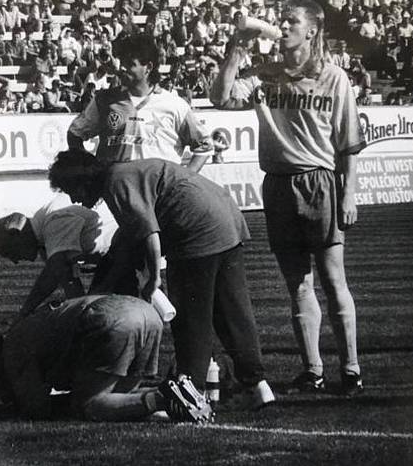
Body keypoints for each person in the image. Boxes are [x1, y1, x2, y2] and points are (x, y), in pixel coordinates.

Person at [210, 0, 365, 396]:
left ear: (312, 31)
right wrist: (237, 48)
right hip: (278, 184)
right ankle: (312, 369)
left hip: (319, 181)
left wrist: (349, 195)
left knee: (332, 280)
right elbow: (220, 96)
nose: (282, 25)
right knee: (297, 284)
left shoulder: (334, 78)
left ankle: (350, 368)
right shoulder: (266, 74)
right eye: (282, 19)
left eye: (291, 21)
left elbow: (348, 144)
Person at [48, 150, 275, 411]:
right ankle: (257, 385)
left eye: (71, 190)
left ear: (82, 181)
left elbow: (149, 234)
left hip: (196, 229)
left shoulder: (115, 183)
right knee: (233, 314)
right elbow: (129, 241)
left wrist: (154, 279)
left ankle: (191, 393)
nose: (75, 199)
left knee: (191, 321)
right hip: (227, 219)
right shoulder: (130, 171)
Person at [0, 294, 210, 422]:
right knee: (120, 398)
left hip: (112, 319)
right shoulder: (25, 332)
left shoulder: (13, 351)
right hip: (145, 312)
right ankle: (177, 390)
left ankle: (163, 399)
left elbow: (35, 407)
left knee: (90, 405)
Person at [66, 33, 214, 171]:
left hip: (158, 197)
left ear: (148, 67)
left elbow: (205, 146)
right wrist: (89, 170)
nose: (122, 67)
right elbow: (75, 134)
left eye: (130, 63)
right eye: (122, 62)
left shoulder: (174, 104)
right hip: (115, 195)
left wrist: (183, 180)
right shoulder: (104, 100)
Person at [0, 193, 134, 318]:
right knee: (96, 312)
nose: (15, 261)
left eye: (10, 253)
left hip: (130, 247)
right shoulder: (45, 240)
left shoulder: (53, 221)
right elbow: (70, 283)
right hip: (114, 256)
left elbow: (53, 273)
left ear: (17, 237)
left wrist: (24, 313)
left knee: (135, 302)